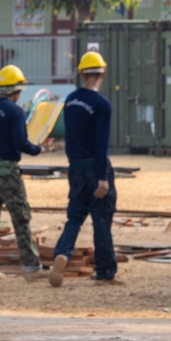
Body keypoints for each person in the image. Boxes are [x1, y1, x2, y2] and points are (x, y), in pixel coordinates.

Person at [48, 50, 120, 287]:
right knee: (101, 218)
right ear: (103, 73)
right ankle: (106, 272)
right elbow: (101, 143)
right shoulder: (102, 105)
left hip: (76, 166)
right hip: (94, 166)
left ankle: (62, 253)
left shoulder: (70, 101)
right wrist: (102, 177)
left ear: (81, 73)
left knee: (75, 216)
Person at [0, 64, 46, 281]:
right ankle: (31, 268)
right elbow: (21, 142)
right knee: (20, 216)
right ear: (15, 90)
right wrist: (38, 149)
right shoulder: (15, 112)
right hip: (7, 169)